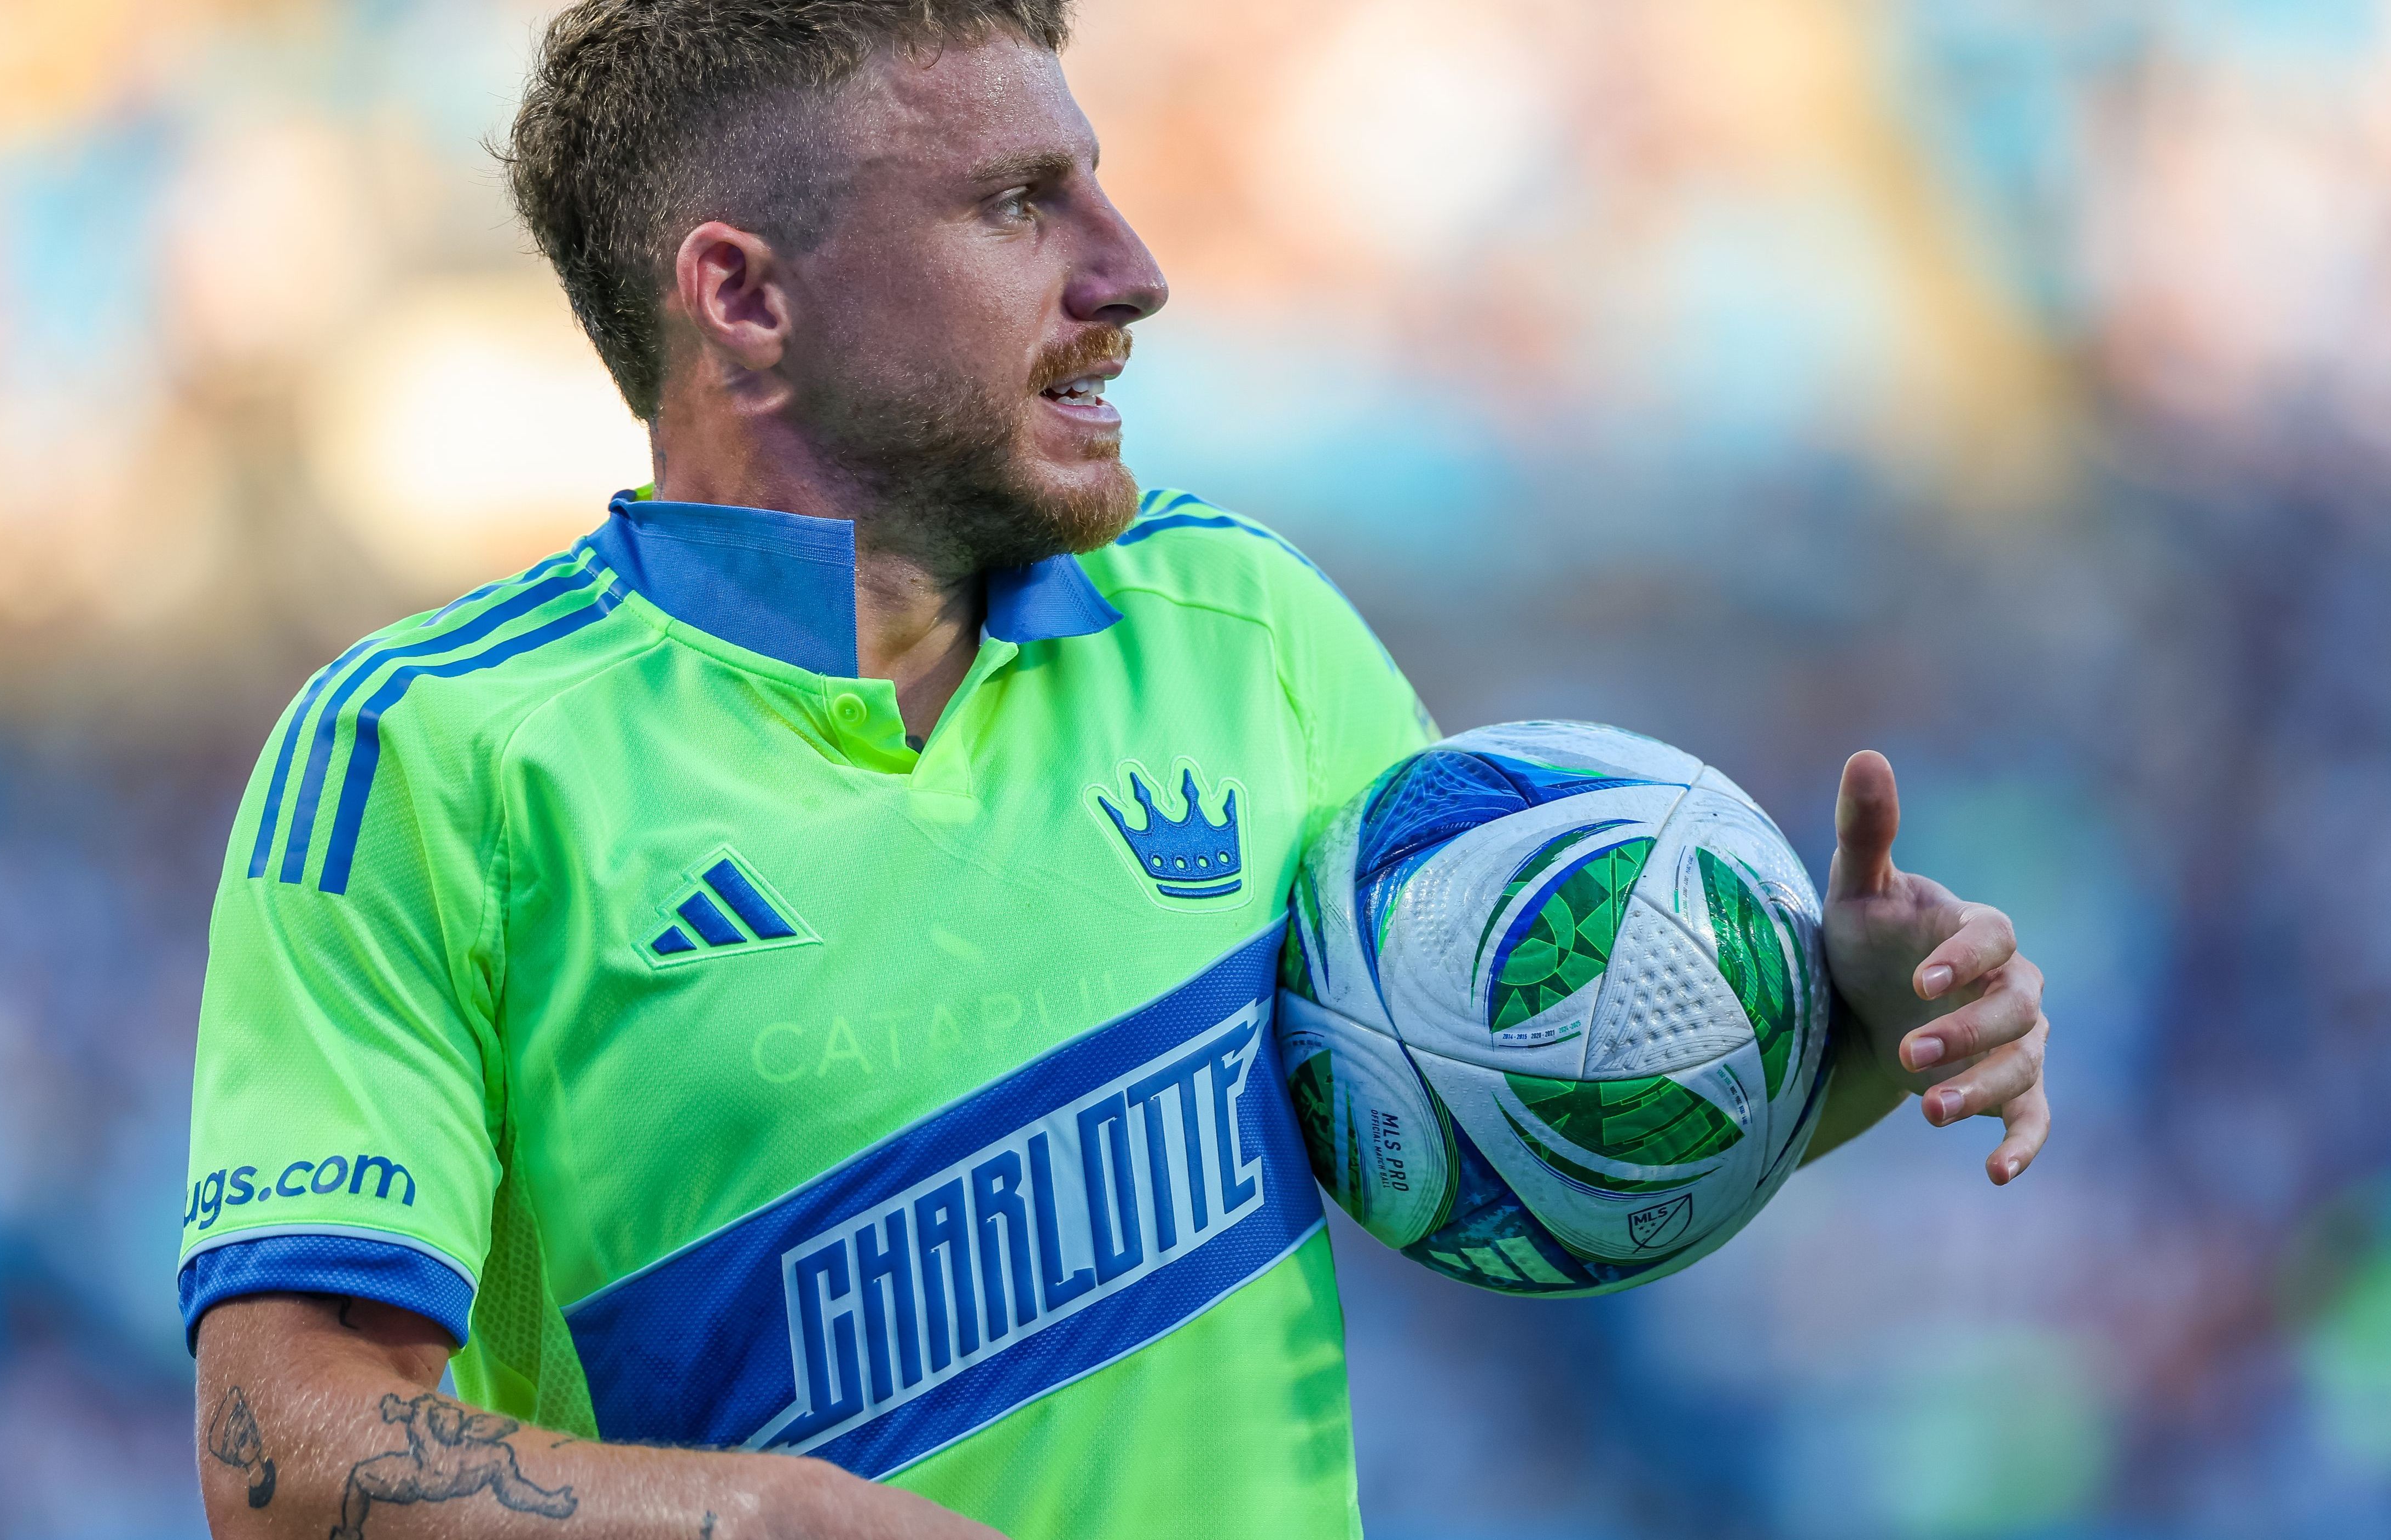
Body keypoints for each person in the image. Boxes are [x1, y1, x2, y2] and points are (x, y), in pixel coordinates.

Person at [179, 3, 2053, 1536]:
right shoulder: (427, 757)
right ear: (745, 299)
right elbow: (280, 1456)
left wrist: (1830, 1042)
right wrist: (755, 1519)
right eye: (1018, 205)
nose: (1132, 272)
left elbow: (1486, 1138)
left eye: (1096, 183)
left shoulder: (1242, 624)